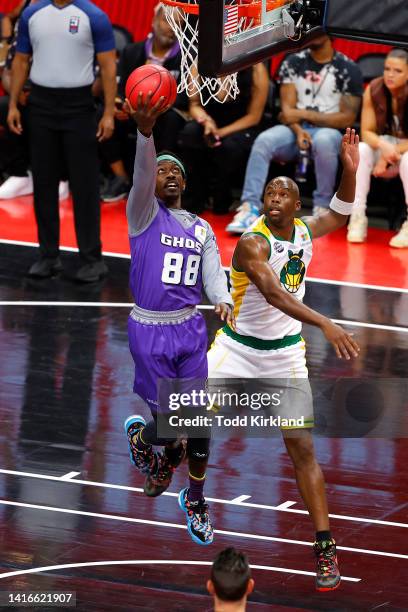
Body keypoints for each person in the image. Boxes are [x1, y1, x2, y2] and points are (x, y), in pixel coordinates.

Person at [208, 128, 360, 590]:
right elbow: (274, 295)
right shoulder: (252, 243)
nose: (274, 197)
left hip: (284, 355)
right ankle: (160, 455)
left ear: (296, 205)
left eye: (283, 193)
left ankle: (325, 548)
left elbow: (340, 211)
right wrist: (326, 323)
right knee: (181, 421)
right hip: (237, 348)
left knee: (303, 449)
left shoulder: (305, 231)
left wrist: (350, 172)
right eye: (269, 191)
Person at [123, 92, 233, 546]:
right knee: (171, 427)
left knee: (196, 420)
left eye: (176, 171)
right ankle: (147, 443)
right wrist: (146, 134)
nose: (167, 175)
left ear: (184, 182)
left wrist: (222, 299)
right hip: (149, 329)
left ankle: (196, 495)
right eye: (162, 170)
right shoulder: (142, 214)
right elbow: (143, 171)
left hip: (190, 328)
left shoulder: (201, 227)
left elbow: (213, 271)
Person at [7, 0, 117, 282]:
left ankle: (93, 259)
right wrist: (12, 106)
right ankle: (48, 256)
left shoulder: (94, 16)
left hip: (79, 107)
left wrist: (107, 112)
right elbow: (20, 61)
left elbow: (107, 66)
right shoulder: (32, 13)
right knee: (43, 182)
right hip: (41, 104)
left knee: (85, 185)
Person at [227, 35, 363, 233]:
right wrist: (299, 130)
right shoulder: (293, 61)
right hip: (294, 129)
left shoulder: (348, 68)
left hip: (329, 132)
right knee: (265, 140)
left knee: (325, 141)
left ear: (329, 33)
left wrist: (302, 114)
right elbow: (287, 112)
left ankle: (322, 208)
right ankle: (249, 207)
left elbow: (346, 119)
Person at [100, 5, 186, 202]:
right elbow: (119, 89)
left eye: (177, 23)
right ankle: (121, 179)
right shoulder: (132, 51)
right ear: (154, 21)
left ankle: (159, 184)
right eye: (166, 20)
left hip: (164, 114)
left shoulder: (185, 57)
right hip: (132, 111)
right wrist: (119, 104)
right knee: (103, 115)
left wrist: (156, 107)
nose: (171, 27)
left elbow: (183, 96)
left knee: (171, 120)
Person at [178, 62, 269, 214]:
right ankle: (194, 199)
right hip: (209, 120)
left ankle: (222, 199)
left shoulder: (256, 68)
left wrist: (220, 132)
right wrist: (207, 122)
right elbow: (194, 104)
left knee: (229, 147)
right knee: (190, 133)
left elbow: (254, 117)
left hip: (241, 124)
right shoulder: (201, 62)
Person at [348, 48, 408, 247]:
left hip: (404, 154)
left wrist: (389, 153)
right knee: (362, 149)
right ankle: (357, 218)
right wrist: (384, 146)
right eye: (387, 69)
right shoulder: (374, 88)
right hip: (385, 146)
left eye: (397, 71)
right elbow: (366, 131)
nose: (390, 74)